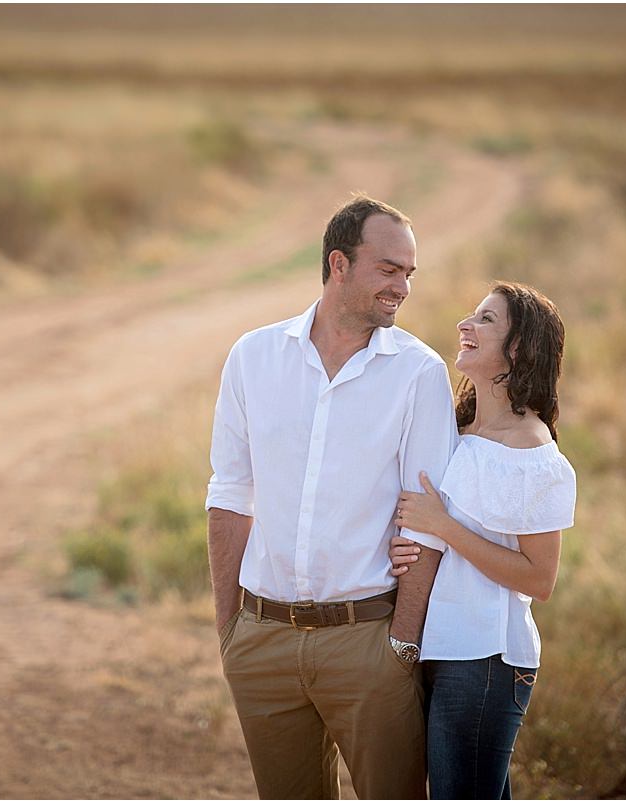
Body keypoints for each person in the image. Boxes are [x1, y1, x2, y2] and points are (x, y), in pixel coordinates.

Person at [205, 196, 454, 799]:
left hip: (368, 641)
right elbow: (230, 494)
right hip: (262, 638)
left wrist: (402, 643)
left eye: (409, 275)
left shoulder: (419, 373)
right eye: (388, 270)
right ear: (338, 264)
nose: (401, 287)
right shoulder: (253, 357)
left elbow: (427, 520)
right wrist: (229, 629)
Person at [389, 281, 576, 800]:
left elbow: (540, 578)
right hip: (439, 646)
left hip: (486, 659)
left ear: (518, 348)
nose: (464, 326)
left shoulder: (531, 451)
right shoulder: (458, 427)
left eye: (486, 320)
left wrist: (446, 527)